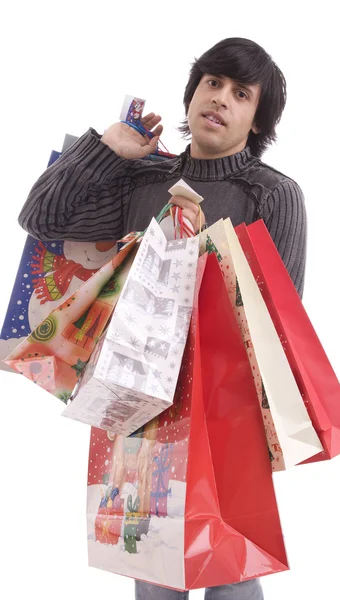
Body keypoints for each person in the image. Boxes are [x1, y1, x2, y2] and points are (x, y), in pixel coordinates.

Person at [18, 37, 307, 599]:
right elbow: (41, 217)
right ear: (193, 93)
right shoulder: (142, 180)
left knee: (230, 563)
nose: (220, 98)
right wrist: (108, 148)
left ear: (257, 117)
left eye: (240, 93)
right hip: (138, 395)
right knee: (150, 563)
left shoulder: (272, 194)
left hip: (228, 402)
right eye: (212, 83)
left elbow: (284, 311)